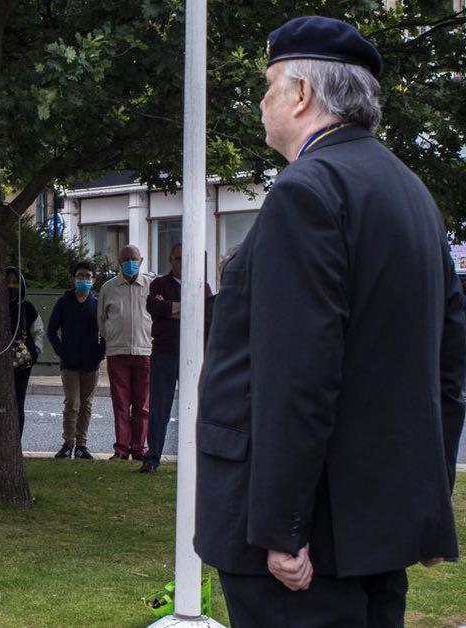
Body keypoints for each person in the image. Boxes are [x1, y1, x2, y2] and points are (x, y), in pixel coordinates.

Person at [195, 17, 465, 626]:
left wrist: (283, 530)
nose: (262, 104)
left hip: (306, 538)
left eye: (268, 87)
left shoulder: (308, 191)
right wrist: (421, 507)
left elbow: (298, 374)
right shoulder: (412, 195)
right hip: (374, 523)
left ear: (301, 94)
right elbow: (445, 370)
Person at [140, 243, 211, 473]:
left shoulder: (203, 286)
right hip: (164, 353)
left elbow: (206, 314)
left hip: (193, 355)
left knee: (196, 407)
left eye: (186, 258)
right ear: (171, 259)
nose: (183, 263)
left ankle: (196, 457)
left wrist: (173, 309)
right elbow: (156, 308)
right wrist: (186, 307)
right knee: (160, 408)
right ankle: (152, 458)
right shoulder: (159, 284)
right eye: (179, 258)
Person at [96, 244, 152, 461]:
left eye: (134, 258)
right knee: (120, 404)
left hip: (144, 351)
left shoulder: (150, 286)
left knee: (142, 406)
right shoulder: (108, 288)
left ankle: (139, 449)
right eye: (126, 259)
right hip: (117, 352)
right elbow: (101, 320)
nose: (130, 262)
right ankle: (121, 449)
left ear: (141, 260)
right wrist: (112, 338)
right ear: (118, 262)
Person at [47, 262, 105, 459]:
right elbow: (51, 330)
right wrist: (62, 351)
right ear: (74, 278)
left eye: (88, 276)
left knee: (86, 405)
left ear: (94, 280)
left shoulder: (96, 304)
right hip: (70, 364)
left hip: (91, 364)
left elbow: (105, 331)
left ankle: (82, 445)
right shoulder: (64, 302)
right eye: (80, 276)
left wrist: (99, 353)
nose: (84, 280)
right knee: (72, 403)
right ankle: (67, 443)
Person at [5, 266, 43, 438]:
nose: (11, 286)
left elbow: (38, 331)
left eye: (15, 283)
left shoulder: (27, 308)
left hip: (22, 363)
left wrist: (35, 352)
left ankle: (15, 441)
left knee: (18, 403)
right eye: (7, 283)